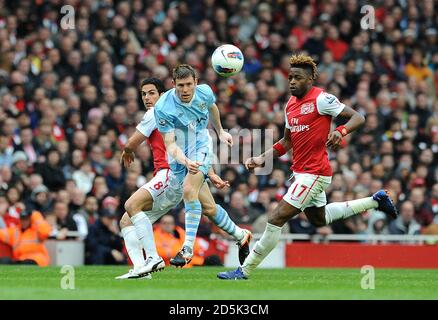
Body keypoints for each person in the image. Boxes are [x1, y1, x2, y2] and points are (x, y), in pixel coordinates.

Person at [218, 54, 398, 280]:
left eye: (298, 78)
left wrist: (340, 131)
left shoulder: (321, 99)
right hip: (301, 173)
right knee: (318, 219)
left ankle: (244, 271)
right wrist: (261, 158)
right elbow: (286, 142)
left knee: (275, 218)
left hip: (314, 173)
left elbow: (358, 117)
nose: (292, 82)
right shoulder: (290, 105)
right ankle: (376, 200)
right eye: (290, 77)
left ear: (311, 79)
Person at [116, 77, 250, 279]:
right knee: (208, 208)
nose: (147, 98)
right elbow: (194, 142)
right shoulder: (177, 111)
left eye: (152, 92)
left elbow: (133, 142)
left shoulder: (157, 111)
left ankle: (152, 259)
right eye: (143, 94)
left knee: (131, 206)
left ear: (162, 95)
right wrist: (211, 173)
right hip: (186, 167)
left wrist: (127, 150)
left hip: (170, 172)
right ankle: (240, 235)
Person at [154, 65, 252, 268]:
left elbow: (212, 108)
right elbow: (170, 144)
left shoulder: (205, 92)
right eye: (180, 85)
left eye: (189, 84)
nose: (185, 90)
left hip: (202, 146)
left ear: (196, 82)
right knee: (208, 208)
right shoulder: (163, 107)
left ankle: (187, 248)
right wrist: (185, 161)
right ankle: (241, 235)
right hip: (180, 157)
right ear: (173, 85)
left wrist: (221, 131)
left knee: (189, 190)